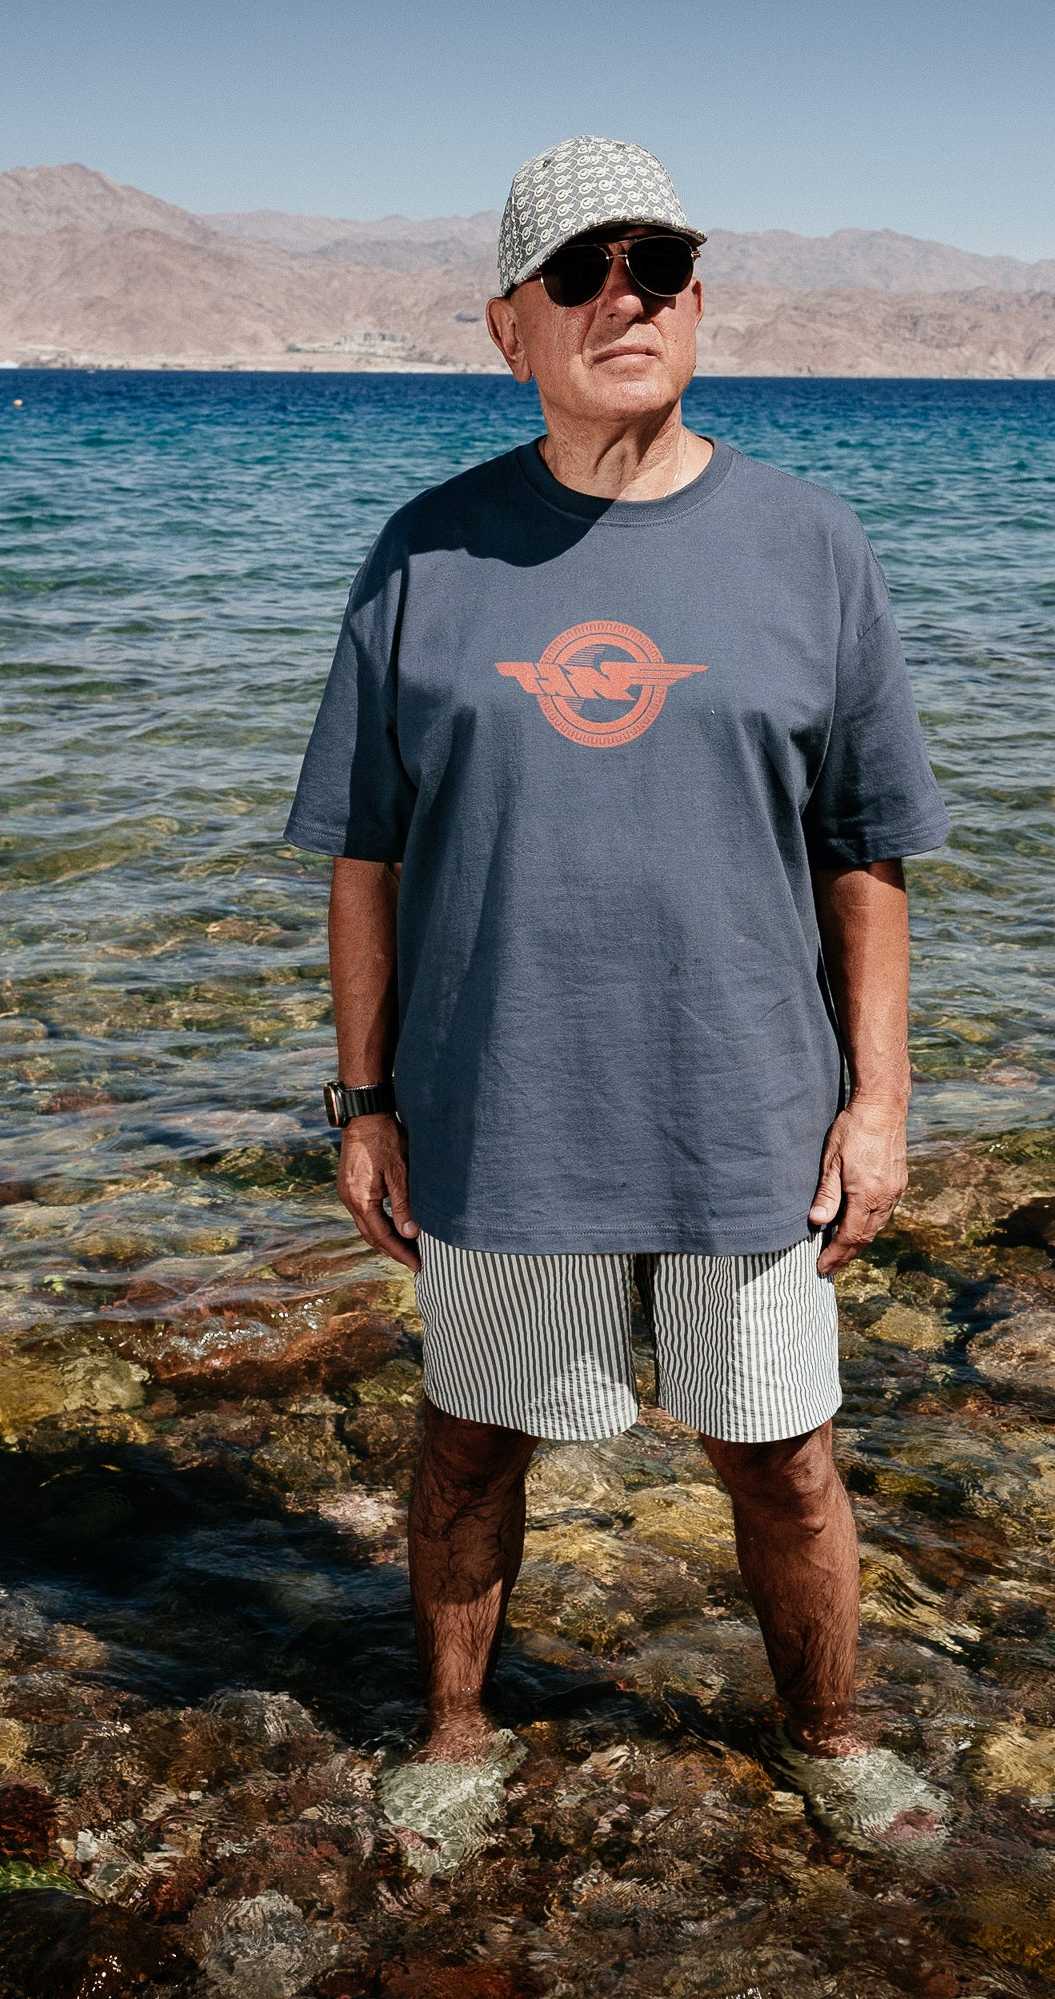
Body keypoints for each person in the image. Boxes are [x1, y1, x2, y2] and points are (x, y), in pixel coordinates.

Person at [286, 136, 951, 1870]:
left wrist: (876, 1105)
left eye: (655, 267)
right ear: (507, 327)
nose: (623, 299)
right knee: (470, 1447)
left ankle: (830, 1736)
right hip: (502, 1105)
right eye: (579, 273)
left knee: (782, 1460)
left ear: (698, 304)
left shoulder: (808, 544)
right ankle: (453, 1733)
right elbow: (366, 858)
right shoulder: (427, 552)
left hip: (748, 1111)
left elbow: (866, 854)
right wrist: (366, 1104)